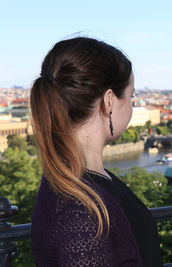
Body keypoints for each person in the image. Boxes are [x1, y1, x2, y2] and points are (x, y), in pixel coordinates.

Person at [30, 37, 163, 267]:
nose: (131, 107)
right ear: (109, 101)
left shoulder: (79, 180)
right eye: (131, 97)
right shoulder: (79, 210)